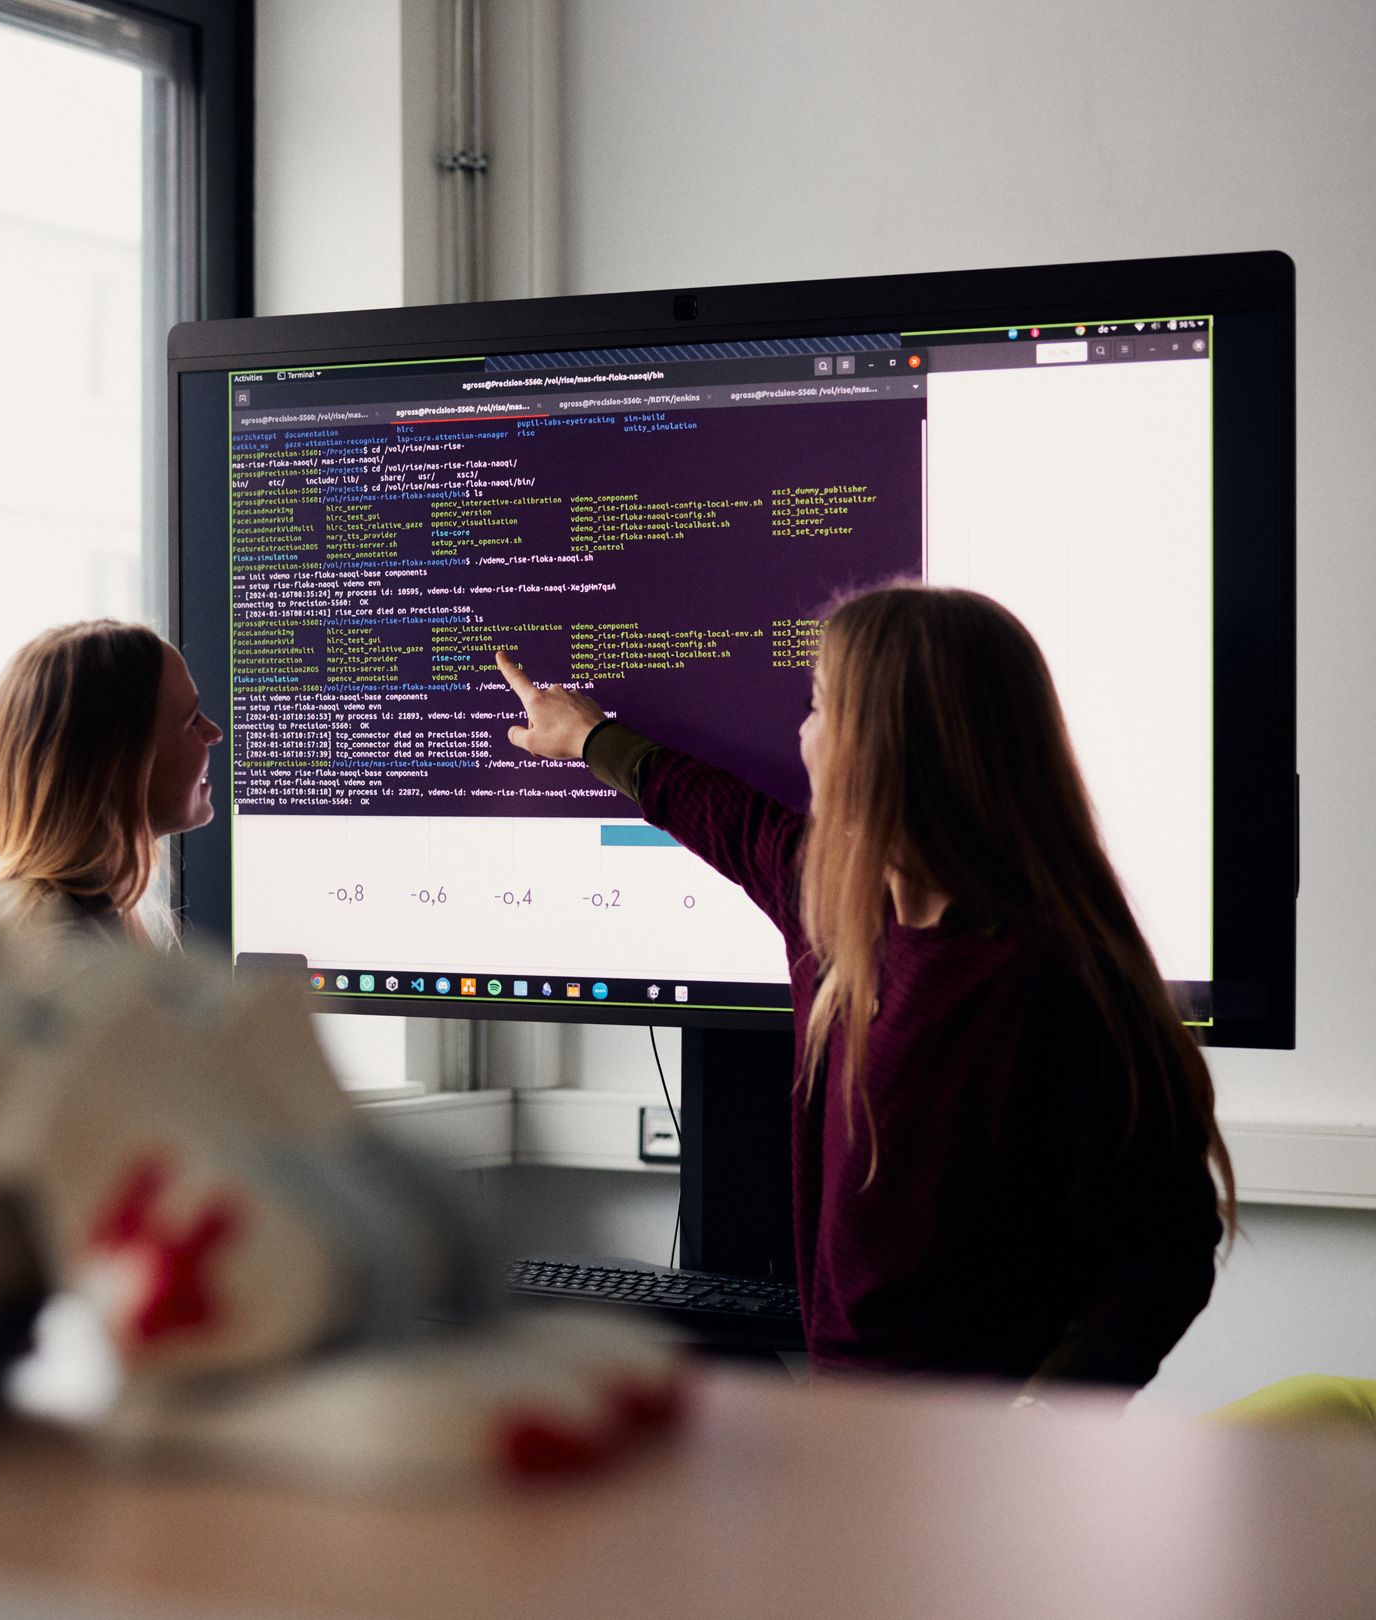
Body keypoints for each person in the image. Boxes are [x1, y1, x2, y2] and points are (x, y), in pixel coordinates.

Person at [495, 583, 1232, 1390]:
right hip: (855, 1423)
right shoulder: (839, 909)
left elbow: (1166, 1245)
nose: (803, 736)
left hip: (980, 1457)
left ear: (883, 744)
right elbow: (729, 817)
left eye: (819, 707)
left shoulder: (1042, 976)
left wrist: (1043, 1418)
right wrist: (590, 736)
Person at [0, 620, 223, 951]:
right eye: (191, 721)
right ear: (122, 764)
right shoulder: (73, 959)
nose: (214, 733)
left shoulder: (19, 916)